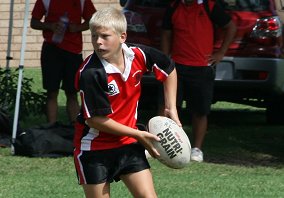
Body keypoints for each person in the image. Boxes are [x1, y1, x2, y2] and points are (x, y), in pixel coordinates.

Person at [73, 7, 182, 198]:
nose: (98, 42)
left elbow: (168, 68)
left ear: (122, 36)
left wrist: (170, 107)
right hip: (95, 150)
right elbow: (95, 120)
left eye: (105, 36)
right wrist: (139, 135)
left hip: (128, 144)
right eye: (94, 36)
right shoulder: (91, 73)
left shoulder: (138, 55)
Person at [161, 0, 237, 162]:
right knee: (168, 107)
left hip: (202, 67)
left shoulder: (209, 6)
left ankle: (197, 149)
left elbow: (231, 27)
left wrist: (221, 53)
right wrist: (165, 58)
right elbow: (166, 34)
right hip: (177, 67)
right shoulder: (174, 7)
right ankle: (161, 145)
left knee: (200, 111)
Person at [30, 0, 96, 124]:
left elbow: (93, 20)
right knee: (52, 92)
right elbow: (34, 22)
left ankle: (75, 127)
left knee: (72, 92)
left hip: (73, 51)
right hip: (51, 49)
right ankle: (52, 127)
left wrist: (78, 27)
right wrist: (50, 26)